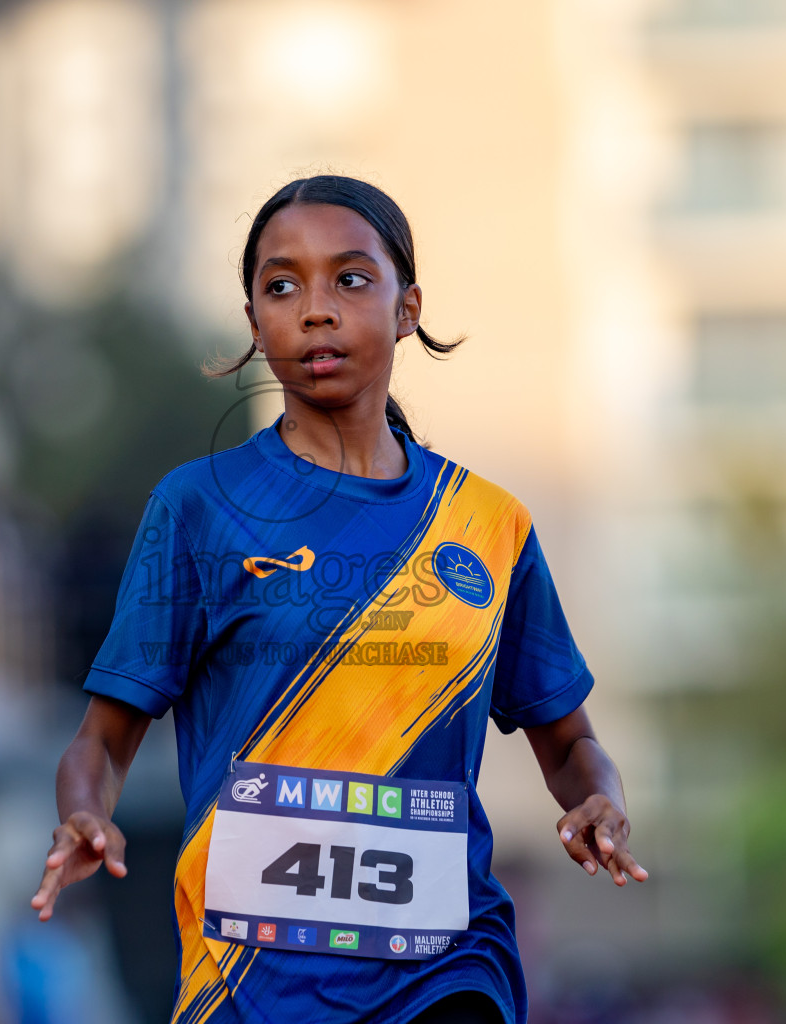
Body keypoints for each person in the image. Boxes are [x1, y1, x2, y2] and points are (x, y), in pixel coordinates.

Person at [32, 175, 647, 1024]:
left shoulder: (487, 525)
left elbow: (571, 740)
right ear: (254, 325)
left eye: (350, 279)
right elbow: (100, 742)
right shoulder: (199, 509)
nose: (315, 309)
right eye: (281, 286)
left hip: (445, 970)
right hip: (252, 985)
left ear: (407, 307)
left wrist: (597, 798)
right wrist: (83, 815)